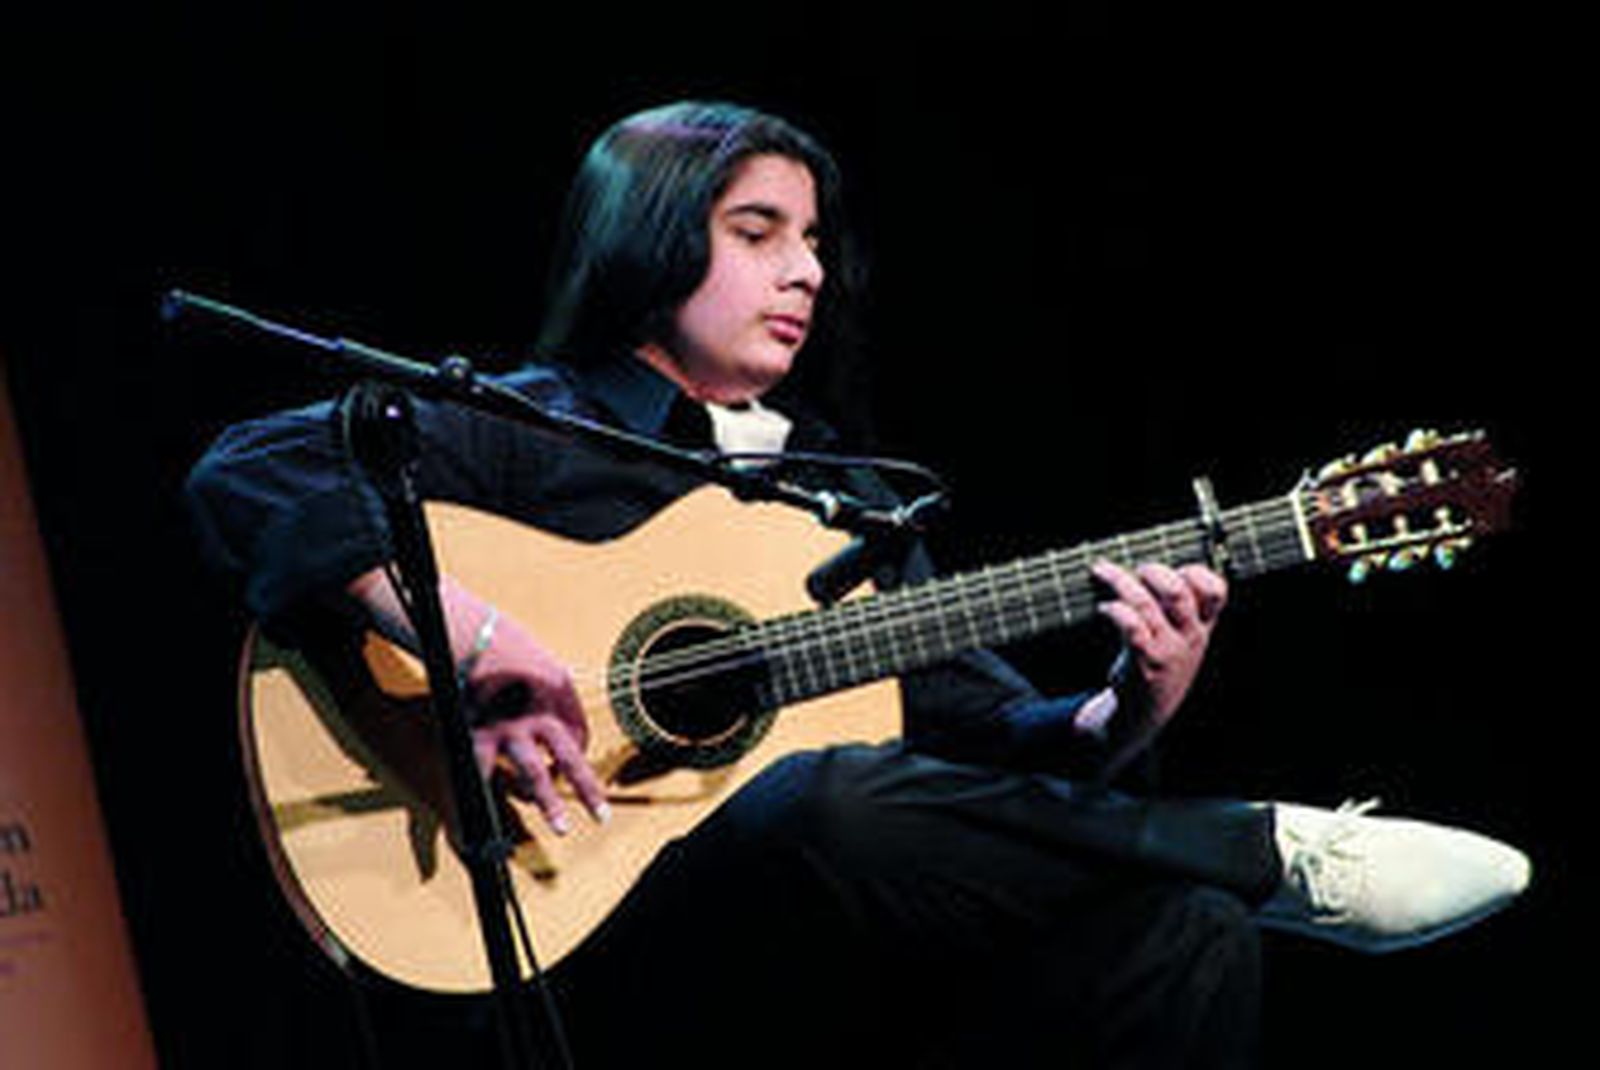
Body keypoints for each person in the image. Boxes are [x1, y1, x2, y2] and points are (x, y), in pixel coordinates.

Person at [187, 101, 1529, 1068]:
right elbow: (249, 470)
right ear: (653, 240)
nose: (808, 270)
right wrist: (473, 639)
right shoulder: (525, 427)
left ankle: (1226, 872)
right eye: (758, 230)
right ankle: (1267, 847)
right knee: (814, 796)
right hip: (599, 935)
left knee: (1185, 935)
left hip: (842, 969)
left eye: (816, 240)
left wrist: (1128, 703)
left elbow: (988, 749)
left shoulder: (849, 499)